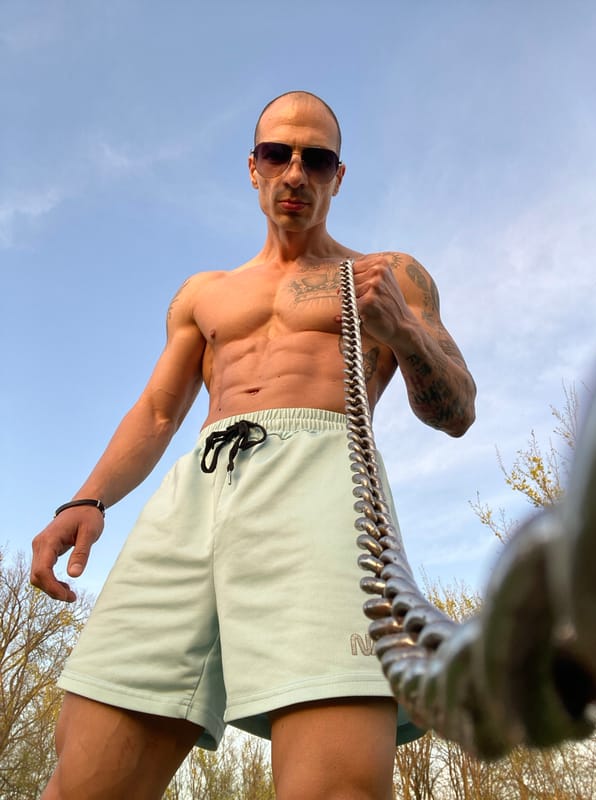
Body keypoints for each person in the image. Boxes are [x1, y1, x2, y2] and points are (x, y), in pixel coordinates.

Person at [31, 90, 476, 800]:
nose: (295, 171)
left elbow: (457, 410)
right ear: (254, 167)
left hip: (324, 483)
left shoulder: (386, 274)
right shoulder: (204, 293)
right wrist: (87, 499)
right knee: (81, 783)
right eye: (279, 153)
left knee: (338, 788)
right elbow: (155, 412)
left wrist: (405, 331)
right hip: (195, 491)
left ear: (338, 175)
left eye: (316, 158)